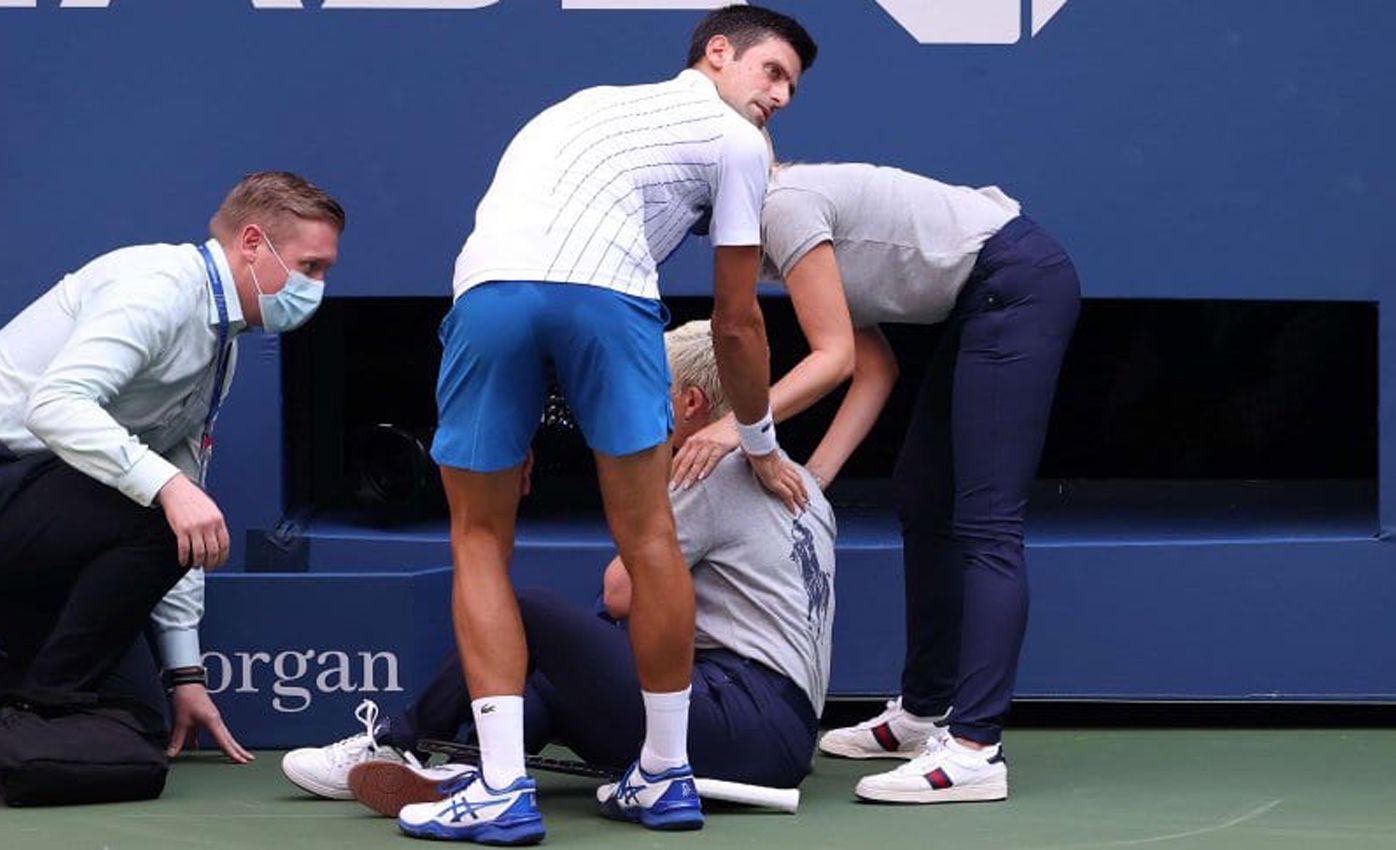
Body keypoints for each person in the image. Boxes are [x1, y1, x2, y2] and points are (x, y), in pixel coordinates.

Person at [413, 4, 817, 842]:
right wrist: (759, 442)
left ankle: (497, 788)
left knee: (479, 538)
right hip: (610, 300)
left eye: (790, 87)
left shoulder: (580, 105)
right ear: (717, 54)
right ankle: (665, 777)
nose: (779, 96)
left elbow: (530, 263)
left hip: (490, 294)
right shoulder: (740, 142)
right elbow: (739, 324)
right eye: (771, 73)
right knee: (650, 536)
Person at [282, 320, 835, 819]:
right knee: (546, 683)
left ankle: (400, 738)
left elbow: (619, 594)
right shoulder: (804, 485)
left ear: (691, 404)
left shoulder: (708, 470)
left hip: (739, 717)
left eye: (649, 391)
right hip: (779, 736)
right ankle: (470, 765)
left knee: (529, 613)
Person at [0, 171, 344, 769]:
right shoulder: (156, 286)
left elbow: (188, 514)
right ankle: (44, 709)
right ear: (254, 243)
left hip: (24, 516)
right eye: (310, 268)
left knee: (133, 717)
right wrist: (166, 485)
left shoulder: (221, 346)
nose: (316, 287)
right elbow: (55, 405)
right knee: (164, 508)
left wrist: (184, 672)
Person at [670, 161, 1082, 803]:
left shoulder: (786, 206)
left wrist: (738, 431)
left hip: (1017, 282)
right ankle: (925, 712)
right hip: (989, 293)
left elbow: (833, 360)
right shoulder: (773, 235)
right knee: (923, 491)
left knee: (987, 522)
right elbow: (875, 366)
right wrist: (810, 480)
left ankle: (976, 749)